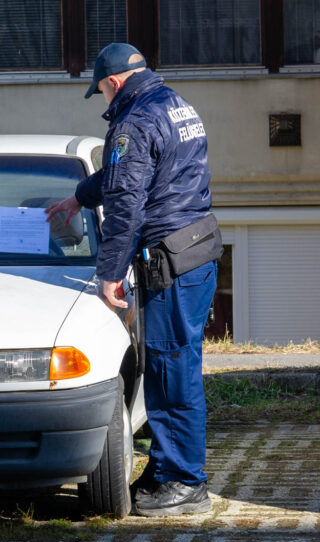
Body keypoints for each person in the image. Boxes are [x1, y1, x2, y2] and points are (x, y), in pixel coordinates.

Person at [45, 43, 220, 517]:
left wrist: (107, 275)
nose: (103, 100)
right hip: (195, 251)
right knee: (173, 367)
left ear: (114, 82)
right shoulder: (173, 104)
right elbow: (128, 172)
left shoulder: (135, 121)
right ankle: (167, 470)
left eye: (101, 91)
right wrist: (80, 197)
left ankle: (185, 483)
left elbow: (126, 204)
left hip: (172, 261)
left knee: (170, 371)